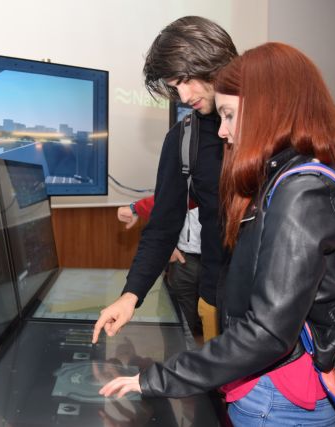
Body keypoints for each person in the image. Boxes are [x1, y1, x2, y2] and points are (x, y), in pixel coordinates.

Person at [98, 42, 335, 426]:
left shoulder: (301, 189)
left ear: (269, 108)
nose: (224, 133)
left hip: (276, 393)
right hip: (269, 376)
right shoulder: (306, 171)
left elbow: (267, 332)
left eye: (229, 116)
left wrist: (155, 379)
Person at [94, 16, 236, 345]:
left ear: (214, 59)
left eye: (186, 79)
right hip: (219, 297)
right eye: (175, 86)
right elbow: (163, 225)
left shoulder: (275, 127)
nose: (184, 96)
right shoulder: (182, 140)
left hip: (278, 299)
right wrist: (131, 295)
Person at [117, 196, 203, 335]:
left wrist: (136, 208)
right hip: (184, 259)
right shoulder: (187, 182)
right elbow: (176, 197)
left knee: (216, 322)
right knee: (177, 326)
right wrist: (171, 243)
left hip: (221, 262)